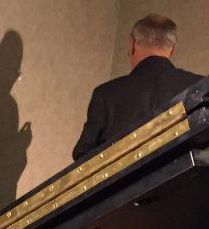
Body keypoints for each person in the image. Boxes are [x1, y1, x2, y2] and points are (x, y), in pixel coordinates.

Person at [73, 13, 202, 161]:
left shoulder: (106, 94)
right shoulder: (200, 88)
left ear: (132, 43)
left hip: (122, 184)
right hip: (190, 183)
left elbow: (83, 159)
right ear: (173, 48)